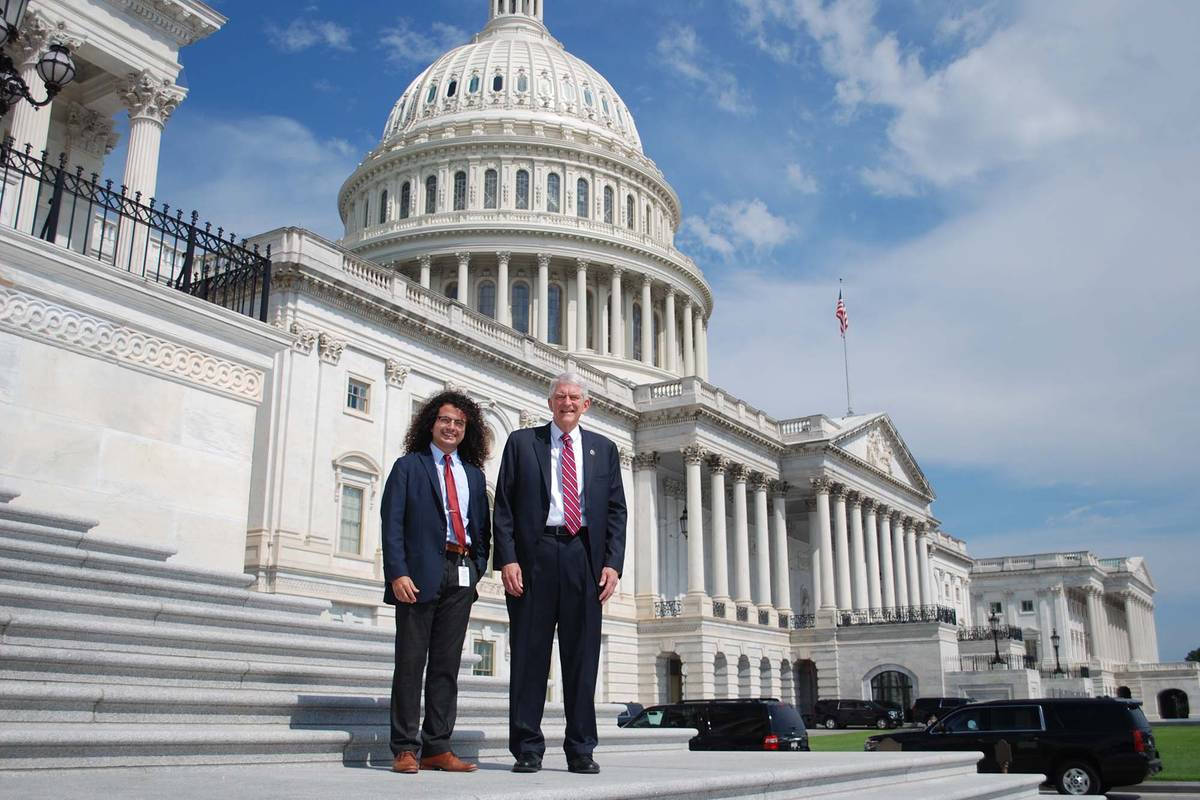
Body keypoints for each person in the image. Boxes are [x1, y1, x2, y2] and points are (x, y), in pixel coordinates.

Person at [493, 372, 627, 775]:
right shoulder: (522, 443)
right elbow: (503, 507)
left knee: (582, 658)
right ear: (549, 403)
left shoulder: (604, 449)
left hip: (583, 557)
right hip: (535, 555)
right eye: (560, 397)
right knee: (529, 656)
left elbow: (617, 511)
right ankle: (527, 747)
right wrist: (508, 560)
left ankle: (581, 748)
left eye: (574, 398)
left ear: (586, 406)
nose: (567, 403)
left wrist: (612, 563)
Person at [381, 390, 491, 774]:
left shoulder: (473, 476)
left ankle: (437, 747)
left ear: (467, 430)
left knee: (446, 666)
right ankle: (405, 748)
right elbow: (391, 523)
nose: (451, 427)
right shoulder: (408, 467)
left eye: (459, 423)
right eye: (445, 420)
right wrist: (397, 571)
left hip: (460, 574)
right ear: (431, 422)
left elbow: (483, 531)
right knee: (410, 663)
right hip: (418, 574)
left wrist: (476, 569)